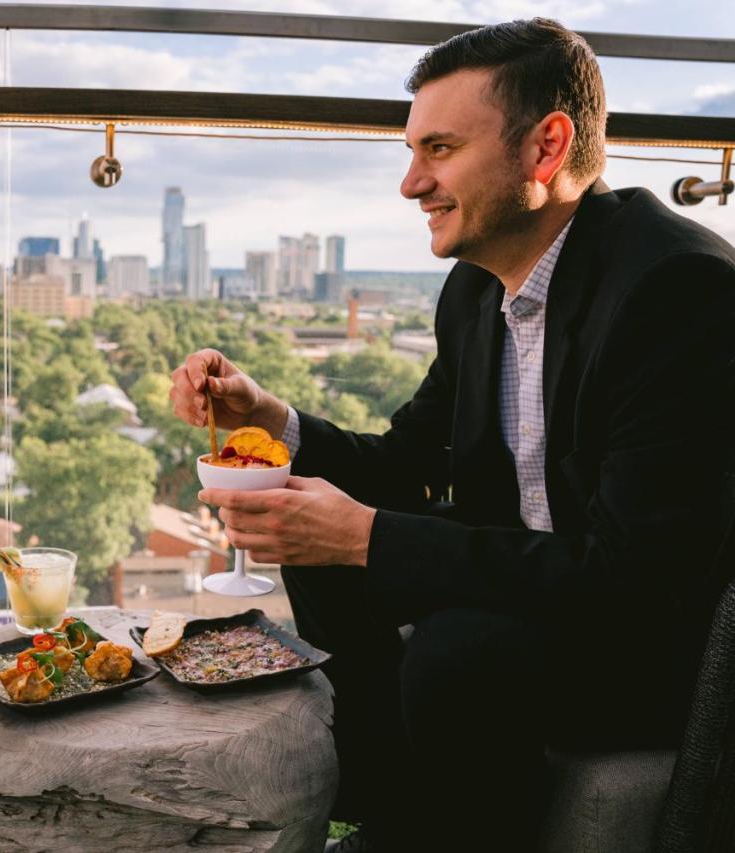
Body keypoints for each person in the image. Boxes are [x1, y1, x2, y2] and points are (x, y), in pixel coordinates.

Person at [170, 19, 735, 853]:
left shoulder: (677, 291)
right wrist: (268, 417)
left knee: (457, 649)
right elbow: (402, 466)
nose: (410, 184)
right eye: (412, 152)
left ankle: (438, 830)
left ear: (546, 147)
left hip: (648, 640)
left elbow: (638, 583)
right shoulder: (476, 293)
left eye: (438, 149)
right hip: (547, 584)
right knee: (314, 538)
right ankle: (389, 800)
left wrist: (373, 538)